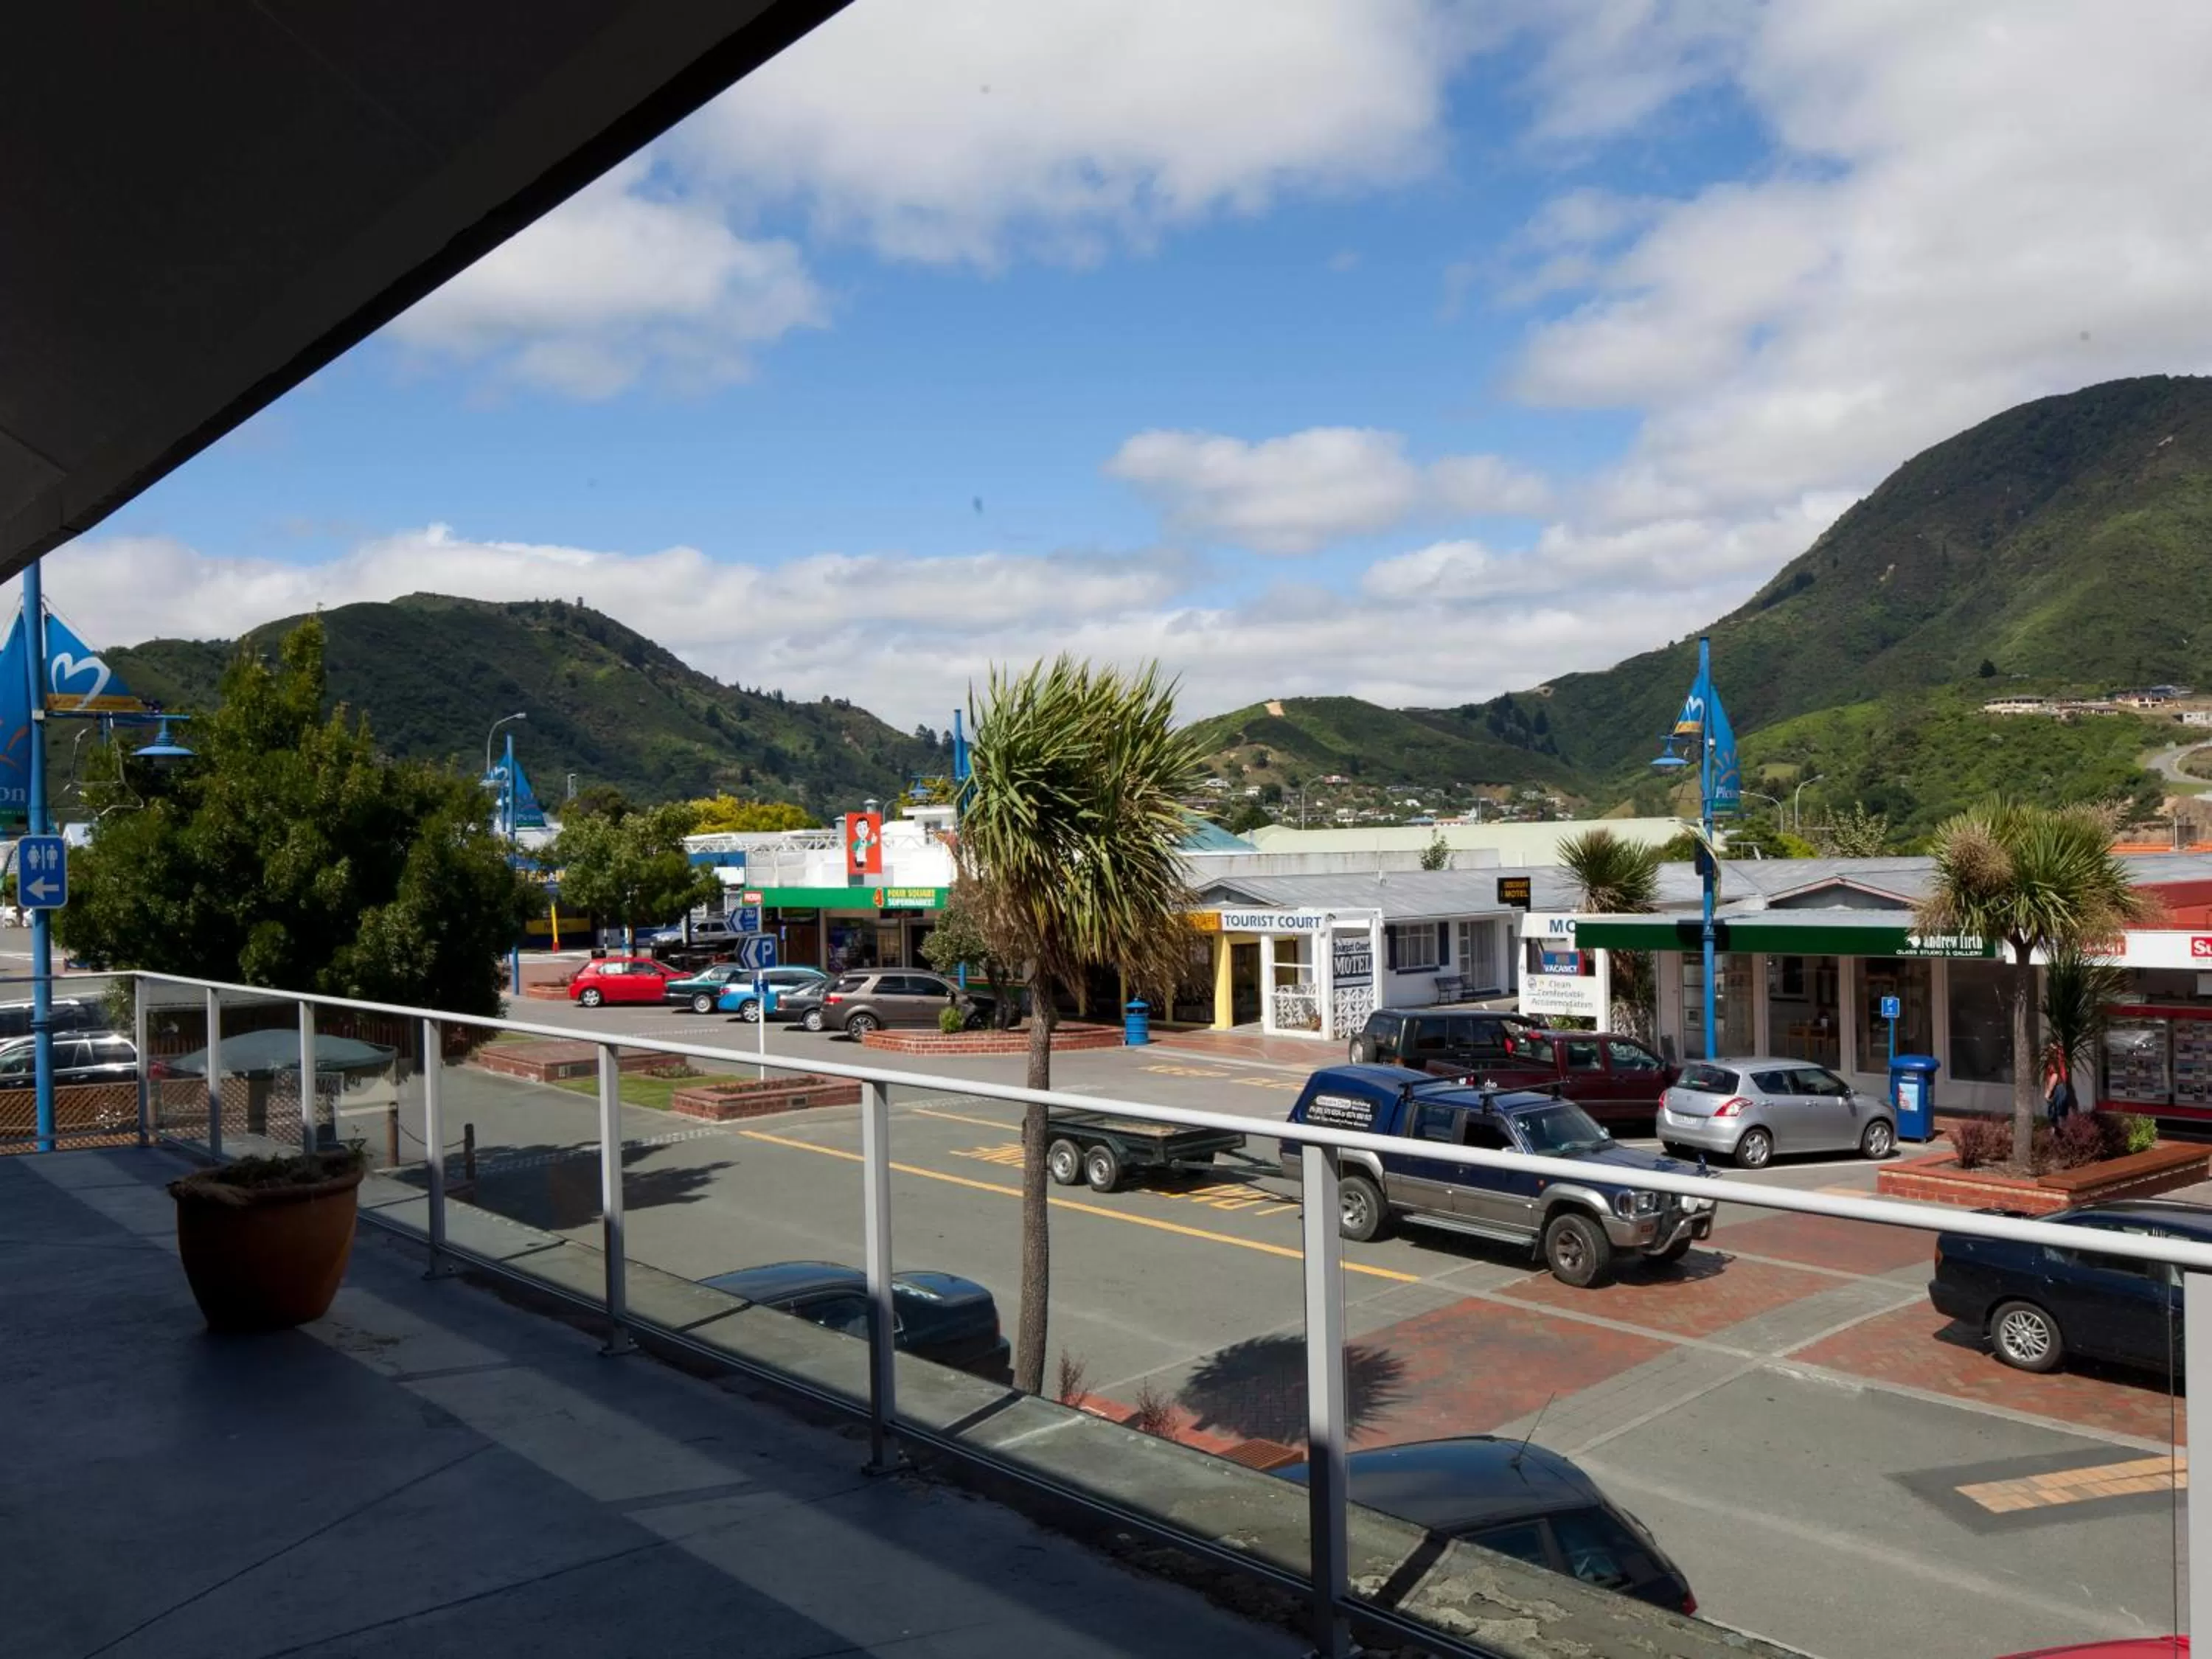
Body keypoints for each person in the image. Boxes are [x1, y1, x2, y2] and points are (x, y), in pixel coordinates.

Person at [2044, 1056, 2078, 1125]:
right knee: (2058, 1118)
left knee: (2058, 1117)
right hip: (2058, 1099)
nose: (2050, 1067)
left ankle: (2058, 1129)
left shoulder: (2055, 1075)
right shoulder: (2052, 1076)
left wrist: (2047, 1095)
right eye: (2049, 1066)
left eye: (2052, 1065)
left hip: (2058, 1098)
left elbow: (2051, 1087)